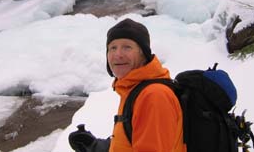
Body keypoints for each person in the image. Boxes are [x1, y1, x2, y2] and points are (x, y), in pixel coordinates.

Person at [69, 18, 186, 152]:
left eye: (127, 47)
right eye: (113, 48)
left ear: (143, 54)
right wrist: (98, 147)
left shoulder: (153, 96)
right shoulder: (133, 89)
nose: (118, 54)